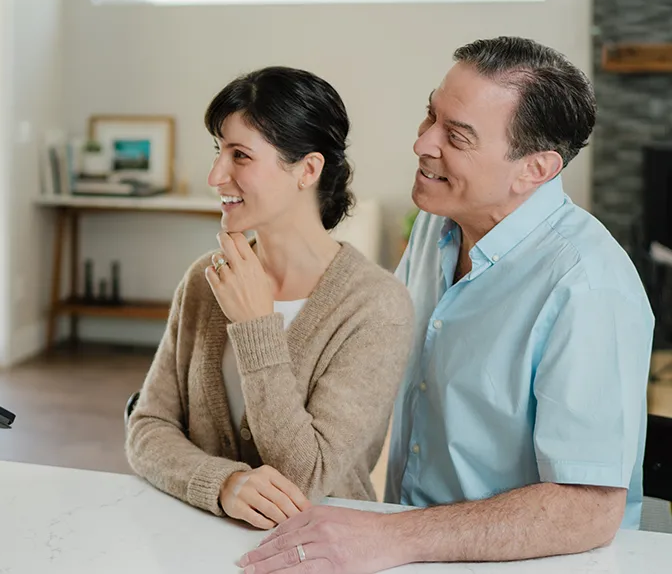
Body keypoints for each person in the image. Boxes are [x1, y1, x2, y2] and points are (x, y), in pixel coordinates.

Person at [237, 37, 655, 574]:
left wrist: (392, 535)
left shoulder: (590, 287)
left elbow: (589, 511)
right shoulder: (439, 222)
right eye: (429, 115)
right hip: (413, 549)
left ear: (535, 169)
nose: (423, 144)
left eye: (456, 136)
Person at [125, 67, 414, 530]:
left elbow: (307, 476)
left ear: (308, 169)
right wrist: (222, 483)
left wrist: (256, 326)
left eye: (240, 155)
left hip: (320, 551)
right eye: (219, 151)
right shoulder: (205, 279)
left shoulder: (376, 306)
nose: (216, 175)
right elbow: (147, 426)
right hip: (192, 541)